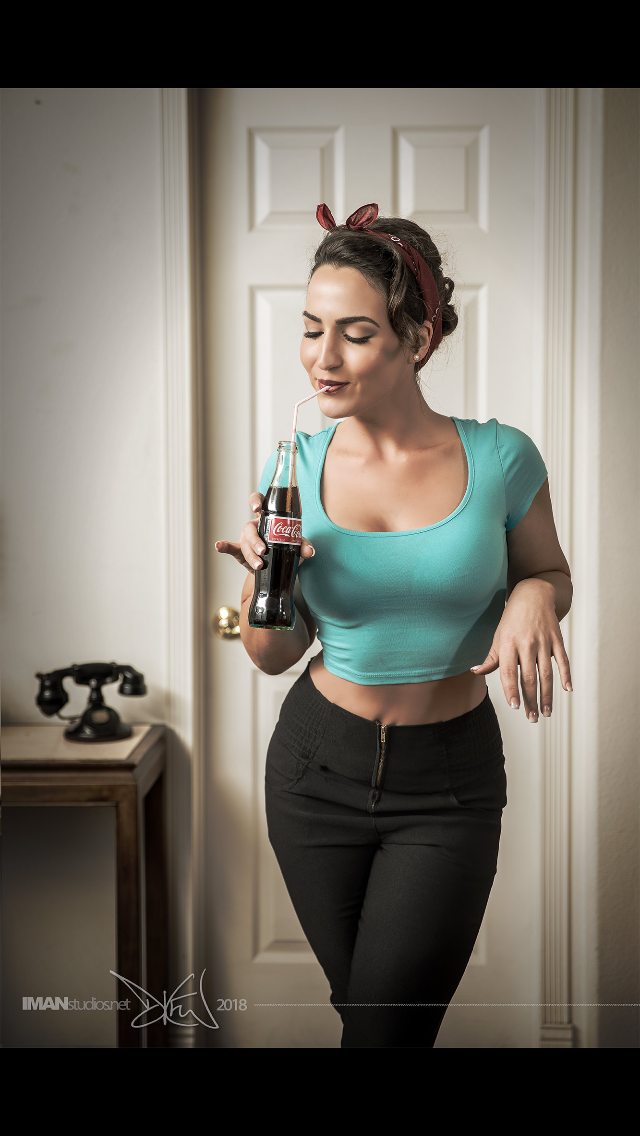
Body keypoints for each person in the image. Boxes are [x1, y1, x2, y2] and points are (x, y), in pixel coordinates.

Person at [215, 203, 572, 1049]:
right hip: (313, 772)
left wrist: (532, 597)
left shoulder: (500, 458)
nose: (321, 357)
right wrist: (272, 579)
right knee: (373, 1025)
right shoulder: (292, 471)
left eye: (354, 333)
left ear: (417, 340)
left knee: (383, 1030)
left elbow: (550, 573)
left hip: (446, 785)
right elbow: (273, 656)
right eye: (310, 330)